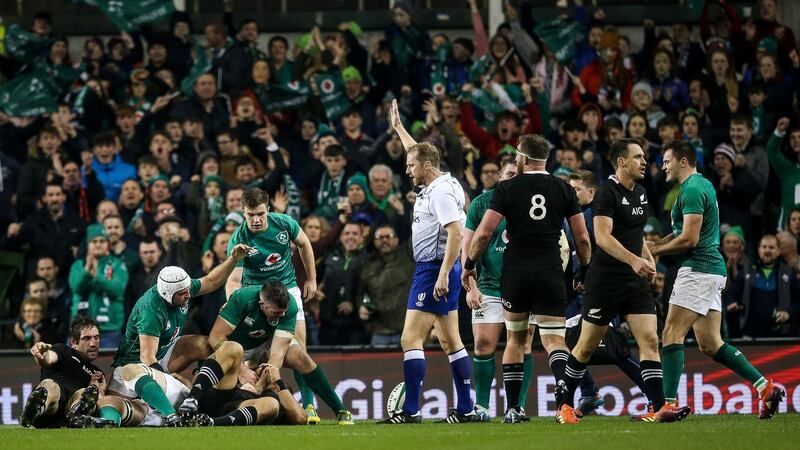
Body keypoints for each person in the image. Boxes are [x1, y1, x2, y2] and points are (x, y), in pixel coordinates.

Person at [649, 141, 785, 420]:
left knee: (671, 334)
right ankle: (765, 387)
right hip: (709, 271)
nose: (663, 166)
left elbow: (690, 239)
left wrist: (655, 251)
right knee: (711, 343)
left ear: (683, 161)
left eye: (667, 161)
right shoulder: (697, 187)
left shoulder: (694, 188)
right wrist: (653, 244)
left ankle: (666, 405)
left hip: (698, 269)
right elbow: (680, 233)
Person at [463, 134, 591, 424]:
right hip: (549, 271)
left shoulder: (507, 188)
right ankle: (564, 403)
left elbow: (483, 234)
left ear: (523, 159)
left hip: (516, 273)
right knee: (555, 340)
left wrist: (469, 264)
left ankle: (513, 409)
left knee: (515, 339)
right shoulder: (564, 188)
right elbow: (581, 238)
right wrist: (584, 269)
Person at [559, 139, 689, 423]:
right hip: (605, 281)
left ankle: (657, 408)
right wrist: (634, 260)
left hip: (634, 281)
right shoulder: (607, 194)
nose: (644, 162)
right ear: (621, 162)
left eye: (644, 157)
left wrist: (647, 258)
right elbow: (603, 237)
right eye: (638, 157)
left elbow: (635, 234)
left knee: (650, 340)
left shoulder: (641, 192)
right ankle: (565, 406)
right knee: (586, 346)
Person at [379, 100, 477, 424]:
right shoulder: (438, 180)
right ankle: (466, 409)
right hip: (435, 267)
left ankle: (411, 411)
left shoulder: (440, 194)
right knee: (451, 341)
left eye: (411, 166)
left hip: (435, 268)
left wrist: (444, 274)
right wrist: (399, 128)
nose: (407, 170)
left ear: (426, 167)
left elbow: (456, 233)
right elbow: (417, 151)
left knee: (410, 339)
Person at [106, 243, 251, 422]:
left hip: (165, 350)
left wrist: (233, 259)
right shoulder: (150, 310)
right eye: (183, 294)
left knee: (204, 344)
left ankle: (209, 389)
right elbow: (147, 357)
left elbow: (211, 281)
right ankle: (178, 405)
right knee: (121, 401)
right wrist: (166, 378)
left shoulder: (183, 289)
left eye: (188, 291)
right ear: (167, 294)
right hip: (138, 365)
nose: (188, 296)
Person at [224, 187, 321, 422]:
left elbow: (305, 244)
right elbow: (234, 279)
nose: (256, 220)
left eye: (260, 214)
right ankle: (255, 405)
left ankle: (308, 406)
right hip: (256, 297)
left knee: (298, 350)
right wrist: (233, 307)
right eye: (250, 215)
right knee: (253, 357)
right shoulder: (239, 239)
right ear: (243, 213)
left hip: (287, 291)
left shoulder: (284, 224)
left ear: (268, 210)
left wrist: (311, 278)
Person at [205, 281, 353, 425]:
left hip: (266, 342)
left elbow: (278, 354)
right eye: (276, 312)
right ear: (262, 305)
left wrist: (265, 376)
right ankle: (190, 401)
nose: (281, 315)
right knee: (199, 346)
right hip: (235, 348)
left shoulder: (290, 307)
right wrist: (241, 369)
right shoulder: (242, 298)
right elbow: (216, 338)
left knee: (300, 356)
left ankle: (340, 410)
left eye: (284, 311)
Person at [462, 159, 534, 421]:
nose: (514, 178)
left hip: (524, 285)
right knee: (483, 345)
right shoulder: (482, 203)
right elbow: (467, 245)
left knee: (523, 345)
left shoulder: (532, 201)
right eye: (510, 174)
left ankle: (518, 407)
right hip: (488, 286)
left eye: (519, 175)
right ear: (500, 176)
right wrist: (470, 286)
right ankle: (481, 407)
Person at [176, 341, 307, 426]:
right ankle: (191, 400)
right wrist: (259, 382)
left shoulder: (276, 402)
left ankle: (210, 423)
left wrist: (279, 382)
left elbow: (300, 417)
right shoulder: (253, 389)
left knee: (272, 405)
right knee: (234, 347)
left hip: (232, 411)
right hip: (219, 398)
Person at [20, 317, 105, 428]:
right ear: (74, 343)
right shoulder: (64, 350)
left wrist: (99, 391)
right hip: (50, 410)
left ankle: (78, 416)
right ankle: (34, 410)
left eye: (96, 338)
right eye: (87, 339)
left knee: (87, 393)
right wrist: (40, 353)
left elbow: (102, 402)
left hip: (69, 414)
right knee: (51, 386)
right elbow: (47, 359)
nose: (93, 344)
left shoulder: (97, 373)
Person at [69, 224, 129, 348]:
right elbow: (76, 287)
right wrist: (86, 272)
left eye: (102, 241)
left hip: (109, 330)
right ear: (87, 244)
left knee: (107, 366)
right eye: (94, 241)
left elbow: (117, 289)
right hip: (79, 331)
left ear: (108, 244)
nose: (98, 244)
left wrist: (97, 277)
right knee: (72, 366)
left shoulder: (117, 265)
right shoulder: (78, 265)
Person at [356, 224, 414, 346]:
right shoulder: (367, 265)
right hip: (379, 331)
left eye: (388, 236)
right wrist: (364, 304)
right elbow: (365, 294)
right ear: (374, 241)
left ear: (397, 239)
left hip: (407, 329)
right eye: (380, 237)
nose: (384, 240)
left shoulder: (408, 256)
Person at [740, 235, 793, 338]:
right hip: (750, 335)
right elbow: (733, 292)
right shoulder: (747, 270)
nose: (767, 250)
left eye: (771, 247)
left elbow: (798, 299)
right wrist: (732, 303)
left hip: (780, 335)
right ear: (759, 249)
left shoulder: (788, 272)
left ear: (778, 251)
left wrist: (789, 313)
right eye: (764, 247)